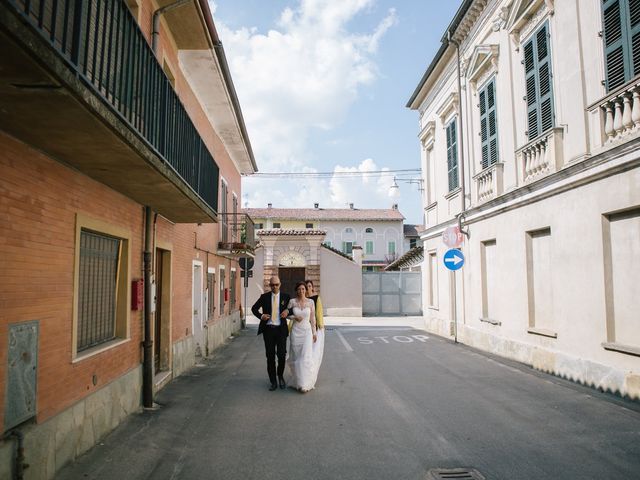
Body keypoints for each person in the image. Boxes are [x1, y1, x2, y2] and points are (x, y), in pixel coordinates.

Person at [251, 276, 290, 391]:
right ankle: (273, 381)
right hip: (268, 330)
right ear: (269, 286)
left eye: (276, 284)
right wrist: (261, 316)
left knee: (282, 356)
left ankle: (280, 376)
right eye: (272, 285)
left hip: (281, 330)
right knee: (270, 356)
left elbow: (293, 308)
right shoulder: (264, 297)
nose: (274, 287)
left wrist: (288, 311)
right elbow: (254, 309)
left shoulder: (286, 297)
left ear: (280, 284)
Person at [287, 282, 317, 393]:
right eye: (299, 289)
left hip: (307, 332)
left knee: (305, 357)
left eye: (303, 289)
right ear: (296, 291)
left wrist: (314, 333)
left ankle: (304, 384)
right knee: (296, 357)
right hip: (295, 332)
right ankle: (298, 381)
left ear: (306, 290)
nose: (301, 291)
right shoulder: (292, 302)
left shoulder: (311, 302)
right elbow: (287, 314)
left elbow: (313, 319)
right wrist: (294, 317)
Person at [306, 280, 325, 372]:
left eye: (309, 286)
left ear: (312, 287)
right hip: (304, 327)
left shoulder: (316, 298)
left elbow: (319, 312)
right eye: (306, 286)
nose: (308, 288)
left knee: (313, 349)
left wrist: (321, 325)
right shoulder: (303, 299)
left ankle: (311, 369)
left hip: (314, 327)